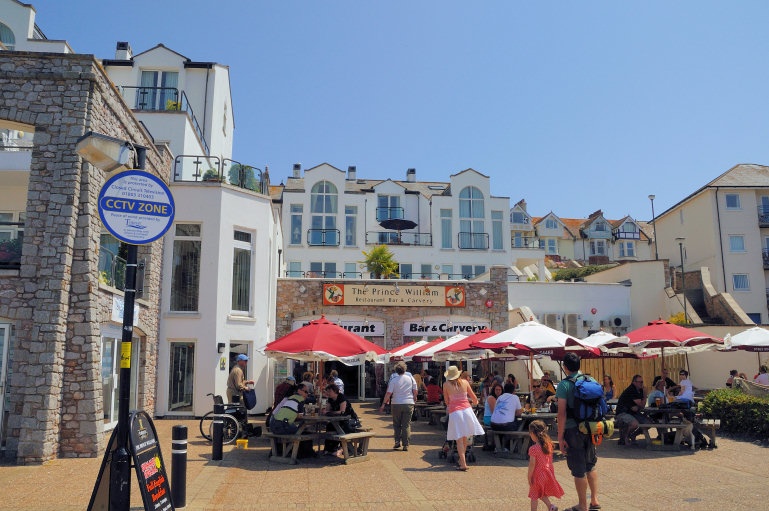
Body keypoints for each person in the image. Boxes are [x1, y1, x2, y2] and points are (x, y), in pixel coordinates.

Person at [556, 352, 600, 511]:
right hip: (591, 427)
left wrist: (560, 437)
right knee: (591, 464)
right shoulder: (591, 380)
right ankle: (594, 500)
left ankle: (582, 506)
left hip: (572, 429)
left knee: (578, 469)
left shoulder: (564, 385)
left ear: (565, 367)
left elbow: (561, 413)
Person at [443, 365, 485, 471]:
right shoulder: (465, 382)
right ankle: (462, 461)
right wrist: (475, 402)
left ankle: (463, 463)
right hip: (467, 410)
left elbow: (447, 401)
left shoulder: (446, 385)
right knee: (465, 437)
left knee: (459, 440)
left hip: (455, 412)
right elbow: (474, 398)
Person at [379, 361, 417, 451]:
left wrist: (383, 404)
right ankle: (406, 444)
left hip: (396, 403)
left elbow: (388, 393)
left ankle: (397, 442)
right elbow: (415, 390)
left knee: (396, 424)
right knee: (406, 425)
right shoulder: (410, 378)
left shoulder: (394, 380)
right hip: (408, 403)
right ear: (405, 369)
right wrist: (414, 398)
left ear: (396, 370)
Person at [528, 419, 564, 511]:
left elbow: (532, 464)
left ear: (532, 433)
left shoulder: (533, 448)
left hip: (537, 474)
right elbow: (550, 461)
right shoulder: (548, 445)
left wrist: (529, 476)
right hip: (547, 473)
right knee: (541, 493)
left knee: (534, 496)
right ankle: (551, 506)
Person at [322, 383, 359, 456]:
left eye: (330, 391)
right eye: (327, 391)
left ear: (335, 391)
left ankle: (344, 449)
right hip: (338, 420)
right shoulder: (330, 399)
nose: (328, 393)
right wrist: (325, 411)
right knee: (330, 426)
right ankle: (329, 449)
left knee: (341, 427)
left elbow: (342, 411)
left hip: (350, 420)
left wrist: (330, 412)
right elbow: (327, 410)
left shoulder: (341, 397)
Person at [615, 374, 649, 446]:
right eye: (640, 382)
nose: (641, 384)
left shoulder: (639, 390)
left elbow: (640, 406)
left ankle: (633, 435)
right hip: (622, 413)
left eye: (642, 382)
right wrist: (645, 395)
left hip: (633, 413)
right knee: (634, 424)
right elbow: (642, 405)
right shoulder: (631, 390)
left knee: (648, 423)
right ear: (634, 382)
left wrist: (638, 407)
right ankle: (625, 437)